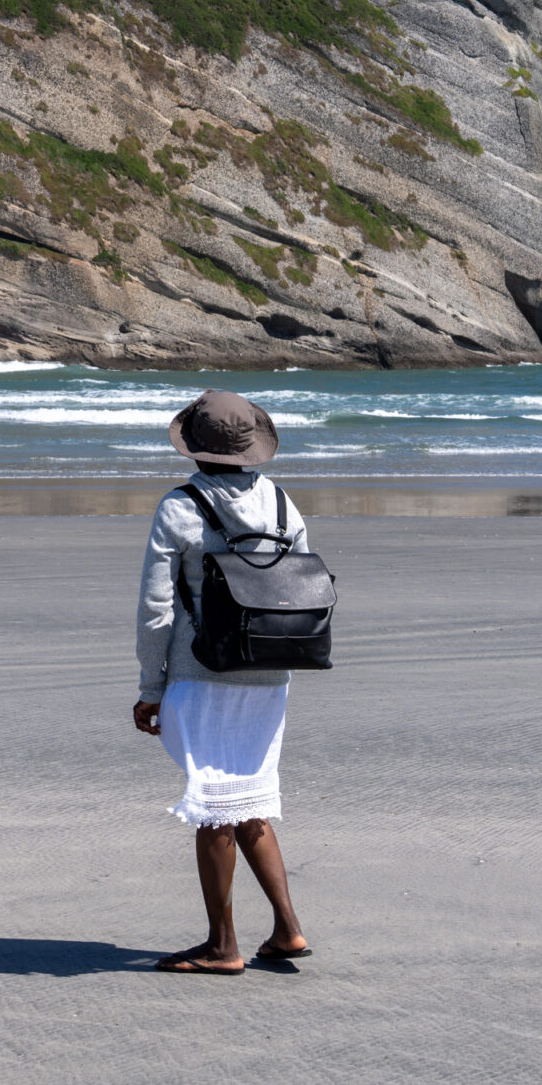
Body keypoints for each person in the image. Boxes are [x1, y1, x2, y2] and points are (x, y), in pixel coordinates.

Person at [133, 388, 313, 975]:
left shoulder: (180, 507)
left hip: (203, 671)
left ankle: (222, 946)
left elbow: (156, 610)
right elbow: (300, 591)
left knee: (215, 802)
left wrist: (151, 687)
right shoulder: (283, 504)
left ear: (195, 448)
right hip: (271, 671)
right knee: (248, 799)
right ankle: (286, 929)